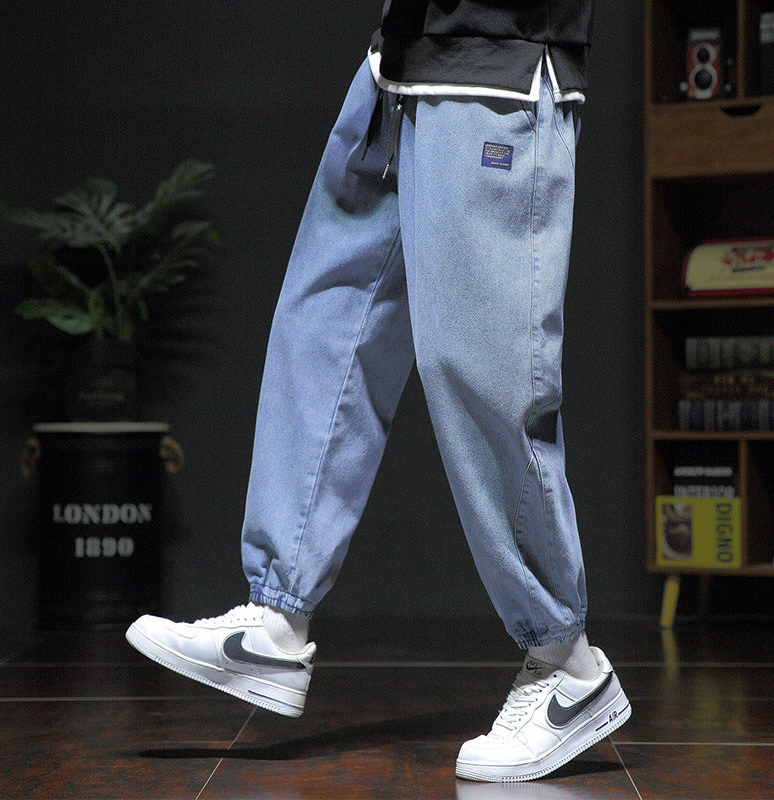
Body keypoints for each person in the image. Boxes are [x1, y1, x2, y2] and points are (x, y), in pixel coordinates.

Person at [126, 0, 631, 782]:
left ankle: (569, 666)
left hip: (494, 63)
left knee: (482, 369)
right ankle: (278, 619)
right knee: (326, 326)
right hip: (401, 63)